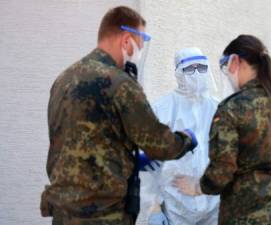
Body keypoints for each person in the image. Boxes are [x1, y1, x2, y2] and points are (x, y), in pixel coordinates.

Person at [40, 6, 197, 225]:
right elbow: (159, 144)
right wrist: (187, 139)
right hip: (103, 214)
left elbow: (80, 143)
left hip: (64, 211)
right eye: (138, 46)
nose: (137, 53)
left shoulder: (64, 79)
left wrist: (130, 161)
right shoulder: (120, 84)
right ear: (126, 40)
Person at [174, 35, 271, 225]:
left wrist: (197, 187)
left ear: (236, 61)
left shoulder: (231, 109)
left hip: (248, 213)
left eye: (225, 65)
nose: (227, 73)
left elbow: (222, 171)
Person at [144, 47, 220, 225]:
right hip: (176, 206)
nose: (196, 74)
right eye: (189, 68)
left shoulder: (218, 108)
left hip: (213, 205)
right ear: (178, 73)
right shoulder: (163, 108)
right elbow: (148, 159)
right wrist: (153, 207)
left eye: (201, 68)